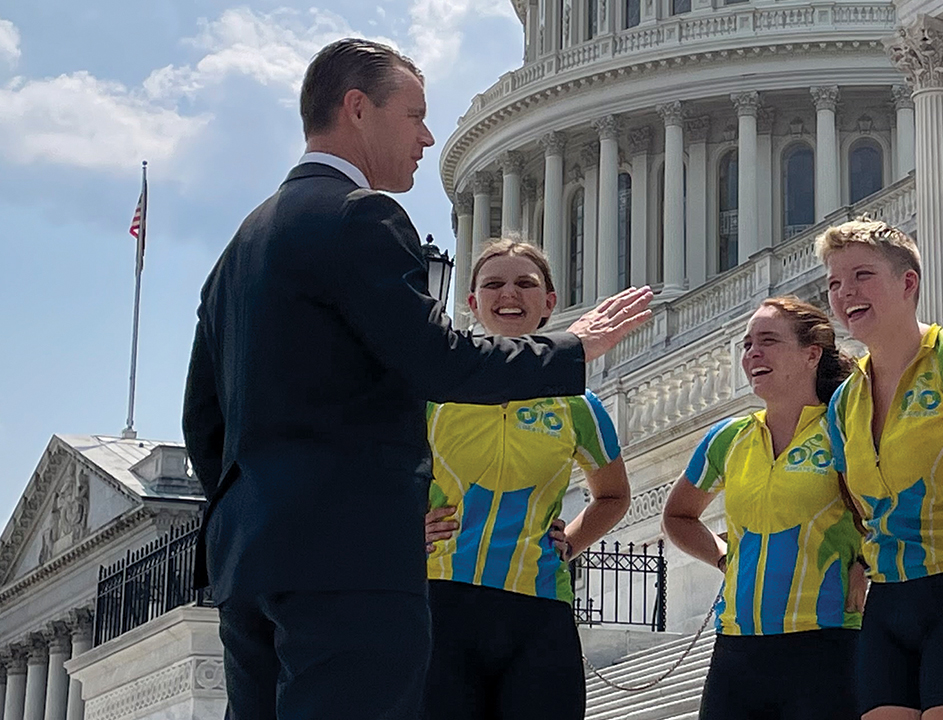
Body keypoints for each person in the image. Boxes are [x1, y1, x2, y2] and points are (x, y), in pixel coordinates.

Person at [181, 38, 651, 720]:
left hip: (249, 560)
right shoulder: (358, 215)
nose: (428, 136)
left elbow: (204, 416)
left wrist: (255, 503)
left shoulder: (242, 246)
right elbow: (441, 362)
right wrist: (572, 346)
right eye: (414, 115)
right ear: (356, 108)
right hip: (350, 560)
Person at [418, 239, 631, 720]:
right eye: (492, 284)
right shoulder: (434, 393)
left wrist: (572, 541)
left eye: (524, 283)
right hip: (441, 600)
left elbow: (614, 494)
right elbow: (377, 479)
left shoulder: (578, 405)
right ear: (471, 304)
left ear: (549, 302)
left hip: (538, 609)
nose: (508, 293)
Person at [819, 216, 943, 720]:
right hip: (888, 603)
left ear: (908, 283)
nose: (845, 293)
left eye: (862, 275)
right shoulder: (842, 403)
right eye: (834, 283)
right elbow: (858, 506)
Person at [662, 297, 863, 720]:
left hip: (828, 639)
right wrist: (721, 557)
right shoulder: (728, 437)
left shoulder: (844, 428)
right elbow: (678, 516)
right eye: (747, 344)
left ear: (811, 354)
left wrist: (865, 561)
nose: (752, 353)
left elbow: (889, 506)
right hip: (738, 646)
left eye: (768, 341)